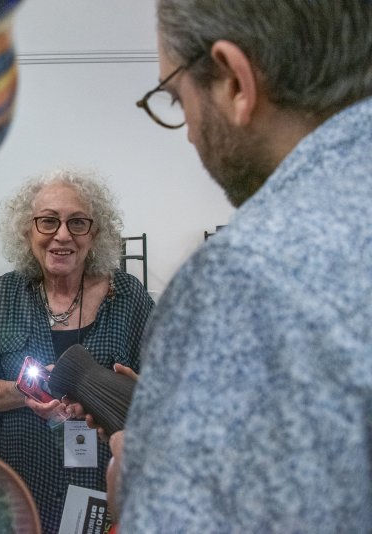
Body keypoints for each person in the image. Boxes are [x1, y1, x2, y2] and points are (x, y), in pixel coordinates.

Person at [106, 1, 372, 531]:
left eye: (178, 98)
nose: (188, 134)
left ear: (232, 81)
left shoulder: (244, 278)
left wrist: (137, 485)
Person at [0, 167, 155, 533]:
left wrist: (139, 392)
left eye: (77, 222)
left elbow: (165, 402)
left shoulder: (129, 297)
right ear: (27, 231)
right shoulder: (4, 295)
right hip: (20, 489)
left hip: (103, 493)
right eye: (48, 222)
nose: (62, 235)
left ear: (95, 233)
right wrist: (24, 391)